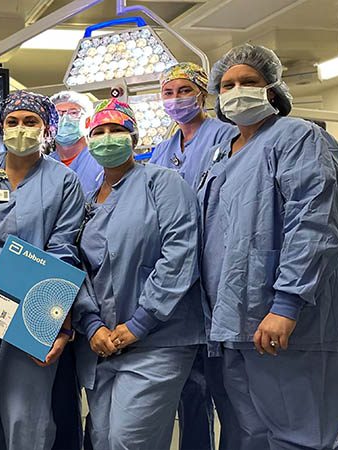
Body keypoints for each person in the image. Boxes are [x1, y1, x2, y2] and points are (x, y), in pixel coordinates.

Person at [200, 43, 338, 450]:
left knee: (302, 438)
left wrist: (286, 303)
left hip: (290, 320)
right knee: (251, 436)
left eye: (248, 82)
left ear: (272, 89)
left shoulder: (299, 138)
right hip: (237, 321)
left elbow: (314, 225)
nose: (236, 90)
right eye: (228, 84)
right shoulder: (223, 155)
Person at [71, 99, 205, 450]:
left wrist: (140, 323)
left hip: (157, 340)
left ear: (134, 137)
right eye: (99, 132)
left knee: (129, 441)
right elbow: (78, 268)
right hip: (101, 344)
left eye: (116, 130)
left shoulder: (163, 184)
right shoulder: (87, 201)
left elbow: (180, 253)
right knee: (101, 440)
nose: (107, 138)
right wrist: (91, 324)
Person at [0, 90, 84, 450]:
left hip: (33, 311)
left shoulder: (63, 181)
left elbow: (63, 249)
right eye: (12, 122)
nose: (21, 129)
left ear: (47, 130)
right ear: (1, 127)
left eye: (31, 122)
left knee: (26, 418)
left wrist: (49, 318)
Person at [147, 62, 240, 450]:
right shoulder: (161, 150)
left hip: (217, 271)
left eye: (183, 90)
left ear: (202, 93)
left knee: (225, 389)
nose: (175, 99)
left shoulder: (229, 137)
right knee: (188, 385)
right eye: (168, 92)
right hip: (178, 274)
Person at [49, 90, 103, 196]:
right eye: (58, 115)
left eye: (73, 113)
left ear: (88, 122)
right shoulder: (45, 165)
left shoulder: (101, 162)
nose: (64, 120)